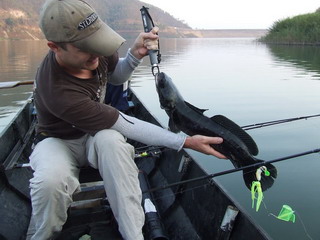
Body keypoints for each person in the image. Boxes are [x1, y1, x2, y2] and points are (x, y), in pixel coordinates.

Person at [28, 0, 226, 239]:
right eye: (84, 47)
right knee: (50, 183)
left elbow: (114, 75)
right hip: (56, 141)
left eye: (96, 42)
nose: (96, 53)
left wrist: (134, 55)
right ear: (54, 47)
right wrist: (183, 141)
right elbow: (123, 122)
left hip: (94, 136)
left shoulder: (99, 46)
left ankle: (133, 235)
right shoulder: (57, 89)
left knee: (113, 144)